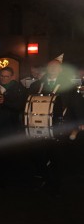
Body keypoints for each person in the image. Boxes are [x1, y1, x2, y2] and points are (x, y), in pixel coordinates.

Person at [25, 54, 84, 189]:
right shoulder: (36, 85)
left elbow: (77, 104)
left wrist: (81, 120)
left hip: (60, 126)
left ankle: (56, 184)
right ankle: (45, 178)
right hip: (38, 126)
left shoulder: (68, 86)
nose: (52, 69)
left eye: (56, 67)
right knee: (39, 155)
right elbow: (27, 104)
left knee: (57, 156)